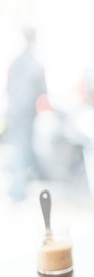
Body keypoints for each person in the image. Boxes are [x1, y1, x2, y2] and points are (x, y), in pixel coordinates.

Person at [5, 27, 48, 202]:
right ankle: (18, 190)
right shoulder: (36, 63)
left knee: (19, 149)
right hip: (26, 113)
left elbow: (8, 88)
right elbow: (43, 92)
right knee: (23, 149)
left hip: (13, 111)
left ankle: (20, 186)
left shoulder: (16, 62)